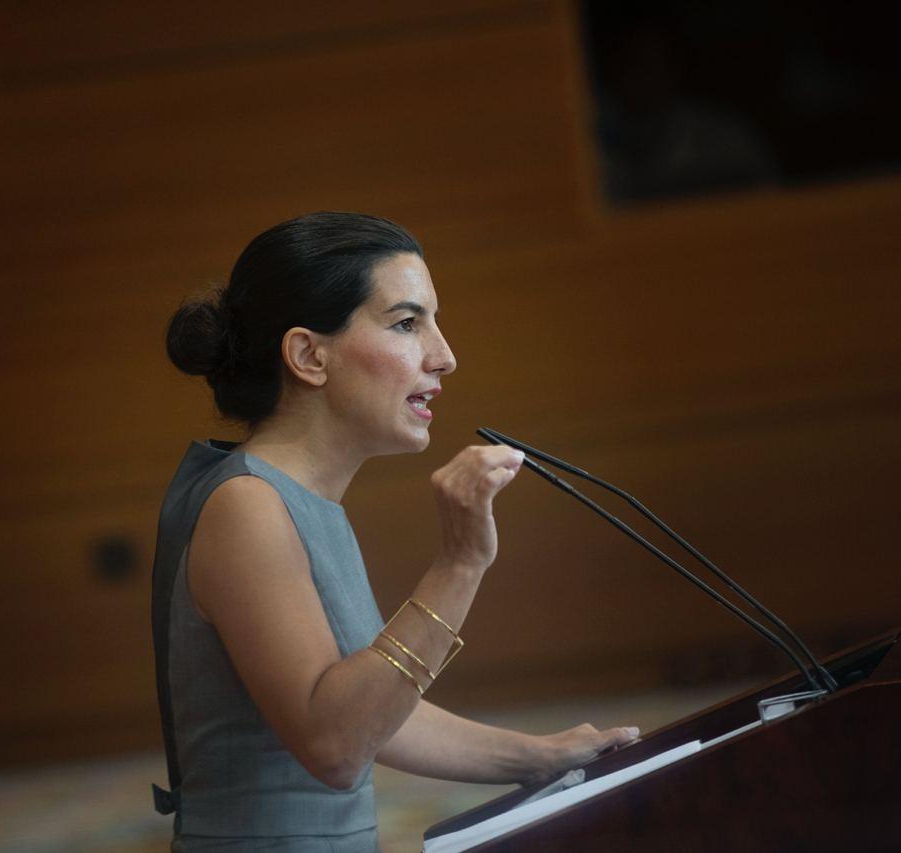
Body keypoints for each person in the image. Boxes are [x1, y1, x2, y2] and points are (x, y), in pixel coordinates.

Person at [150, 212, 638, 851]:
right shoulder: (246, 505)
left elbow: (376, 714)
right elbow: (337, 745)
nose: (445, 355)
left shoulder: (291, 499)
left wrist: (538, 756)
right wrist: (459, 564)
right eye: (408, 323)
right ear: (308, 355)